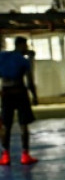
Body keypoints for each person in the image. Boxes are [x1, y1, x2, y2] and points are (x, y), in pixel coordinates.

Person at [0, 36, 39, 165]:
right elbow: (30, 81)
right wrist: (34, 96)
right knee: (23, 125)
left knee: (6, 125)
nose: (27, 48)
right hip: (20, 93)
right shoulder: (23, 60)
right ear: (21, 45)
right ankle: (25, 155)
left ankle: (5, 155)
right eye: (26, 45)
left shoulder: (3, 57)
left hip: (6, 93)